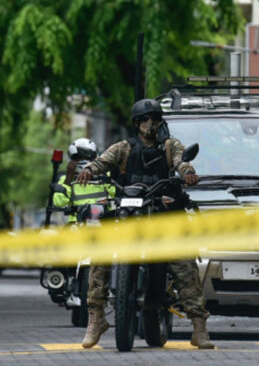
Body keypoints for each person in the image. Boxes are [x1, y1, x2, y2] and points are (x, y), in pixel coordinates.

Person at [76, 98, 213, 349]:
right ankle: (96, 318)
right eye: (146, 120)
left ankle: (199, 326)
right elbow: (102, 162)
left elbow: (182, 161)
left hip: (163, 217)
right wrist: (88, 170)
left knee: (184, 263)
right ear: (137, 123)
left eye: (156, 119)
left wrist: (187, 173)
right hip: (128, 217)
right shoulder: (124, 148)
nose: (151, 124)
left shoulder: (170, 146)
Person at [53, 138, 115, 223]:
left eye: (86, 157)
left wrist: (101, 174)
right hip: (76, 223)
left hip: (103, 221)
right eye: (78, 158)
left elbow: (116, 193)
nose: (83, 161)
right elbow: (59, 202)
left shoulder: (105, 176)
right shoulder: (65, 179)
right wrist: (69, 176)